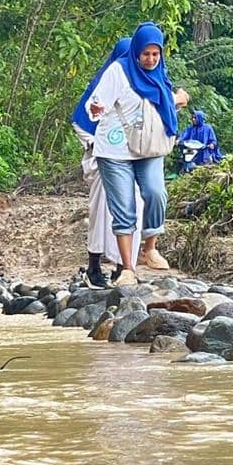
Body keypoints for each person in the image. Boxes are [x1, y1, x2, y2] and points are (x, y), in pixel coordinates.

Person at [86, 22, 189, 281]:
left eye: (156, 54)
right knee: (125, 208)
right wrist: (97, 109)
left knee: (155, 192)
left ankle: (149, 248)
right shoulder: (118, 72)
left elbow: (160, 108)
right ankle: (127, 268)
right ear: (136, 52)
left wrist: (176, 100)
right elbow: (93, 105)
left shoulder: (160, 75)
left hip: (149, 148)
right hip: (115, 149)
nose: (151, 59)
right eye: (146, 54)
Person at [70, 37, 132, 288]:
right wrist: (96, 144)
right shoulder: (101, 88)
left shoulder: (135, 88)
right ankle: (94, 265)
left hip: (129, 161)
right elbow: (80, 120)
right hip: (101, 164)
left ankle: (123, 267)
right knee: (100, 212)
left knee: (128, 211)